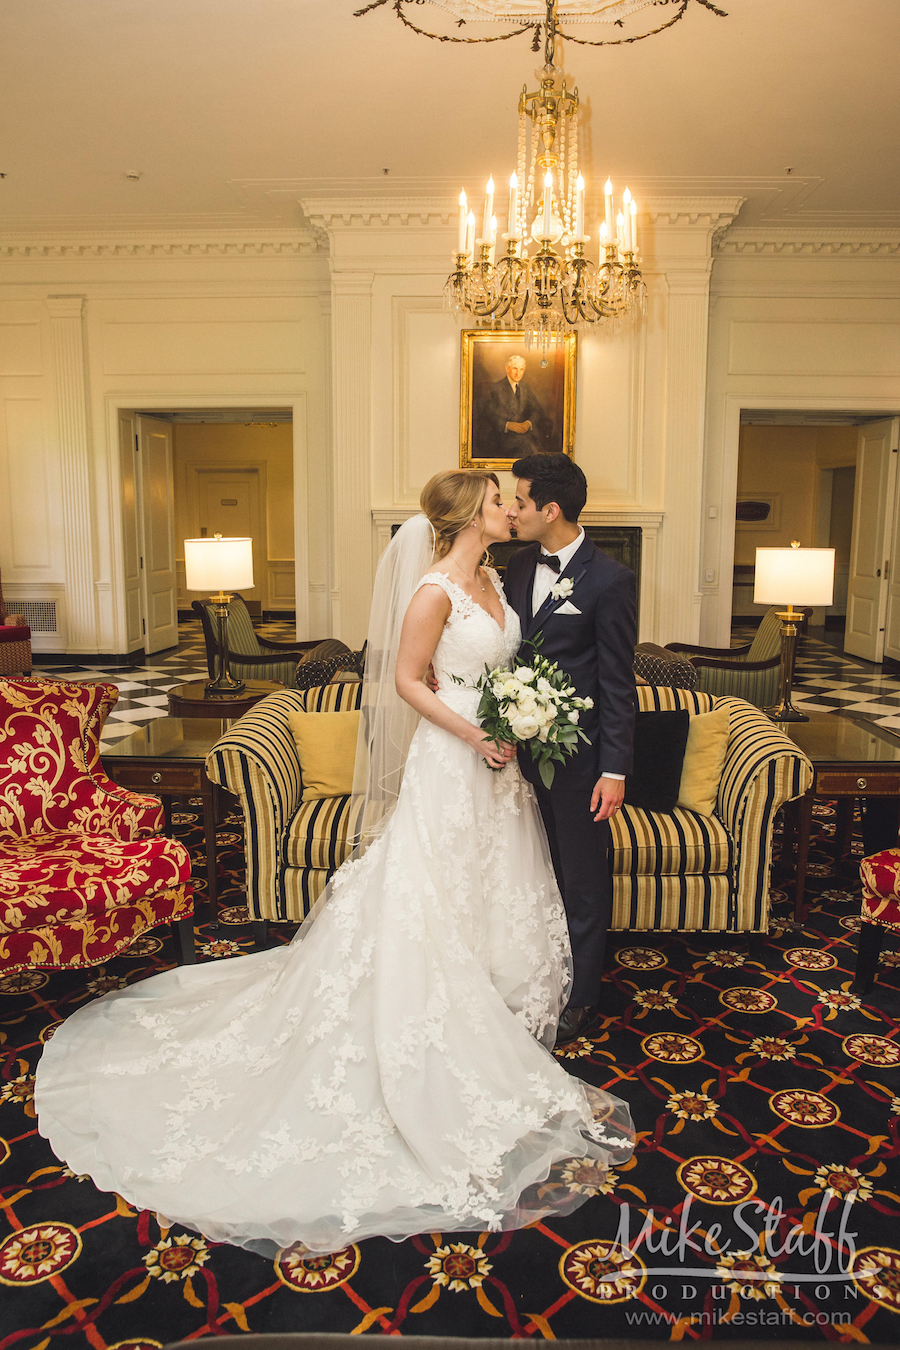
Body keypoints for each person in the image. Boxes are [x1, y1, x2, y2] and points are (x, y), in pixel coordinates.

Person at [35, 469, 633, 1258]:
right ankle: (426, 1023)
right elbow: (405, 681)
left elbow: (538, 665)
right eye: (496, 500)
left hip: (500, 773)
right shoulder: (432, 591)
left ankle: (493, 1005)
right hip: (455, 766)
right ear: (465, 515)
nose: (509, 507)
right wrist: (475, 734)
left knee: (494, 890)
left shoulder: (498, 573)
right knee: (431, 894)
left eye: (512, 499)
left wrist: (515, 718)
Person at [505, 455, 637, 1044]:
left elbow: (616, 682)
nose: (512, 510)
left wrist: (613, 769)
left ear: (550, 510)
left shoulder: (609, 580)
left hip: (578, 760)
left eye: (521, 501)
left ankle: (582, 994)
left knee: (580, 876)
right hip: (511, 753)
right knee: (526, 872)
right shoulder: (513, 565)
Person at [482, 354, 552, 458]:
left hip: (524, 434)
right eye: (515, 368)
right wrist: (507, 425)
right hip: (502, 436)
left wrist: (528, 423)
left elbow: (537, 410)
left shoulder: (525, 387)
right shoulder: (496, 388)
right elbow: (487, 414)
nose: (518, 373)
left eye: (521, 369)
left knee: (533, 446)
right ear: (507, 368)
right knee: (527, 446)